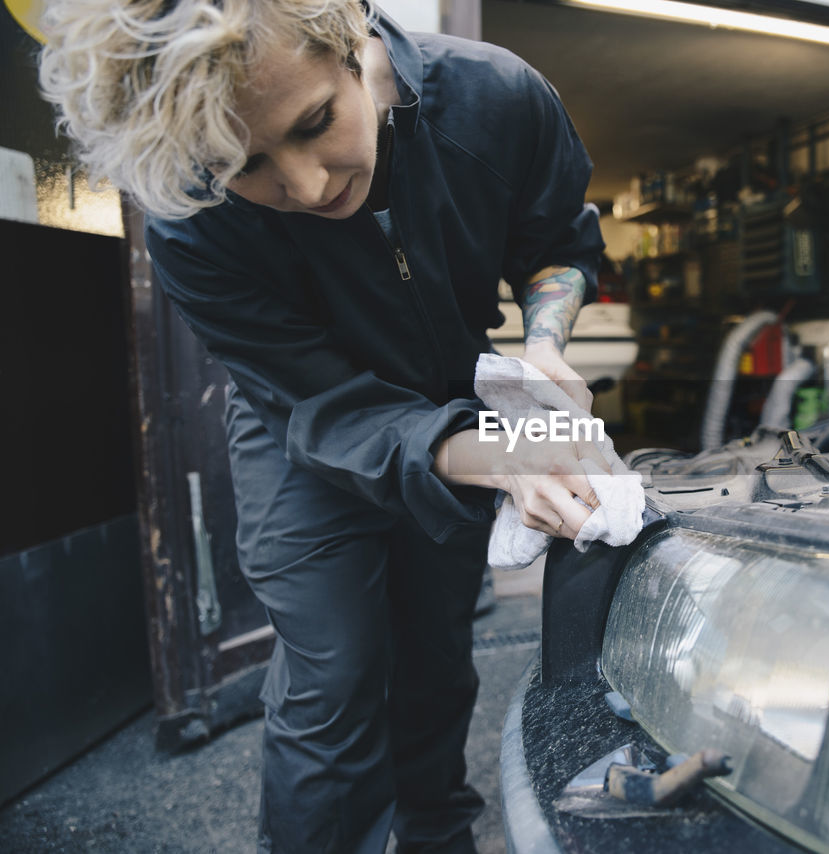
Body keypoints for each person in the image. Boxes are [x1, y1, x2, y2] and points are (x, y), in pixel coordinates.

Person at [39, 1, 608, 851]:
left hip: (455, 396)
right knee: (333, 673)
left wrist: (544, 345)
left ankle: (435, 835)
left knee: (435, 659)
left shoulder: (498, 96)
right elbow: (322, 401)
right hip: (303, 421)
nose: (305, 187)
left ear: (347, 32)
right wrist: (502, 452)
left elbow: (556, 240)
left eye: (315, 123)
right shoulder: (188, 221)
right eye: (245, 164)